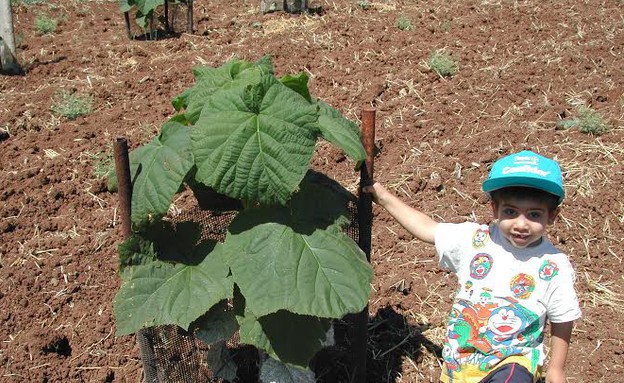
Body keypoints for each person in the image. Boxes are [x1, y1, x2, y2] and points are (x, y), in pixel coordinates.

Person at [364, 150, 581, 383]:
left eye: (534, 215)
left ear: (552, 216)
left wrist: (556, 369)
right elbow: (428, 229)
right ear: (495, 208)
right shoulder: (475, 241)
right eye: (510, 212)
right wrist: (384, 197)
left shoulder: (553, 266)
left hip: (513, 362)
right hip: (461, 365)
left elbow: (562, 318)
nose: (521, 224)